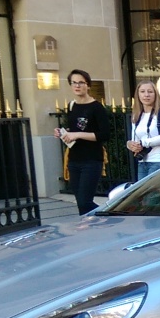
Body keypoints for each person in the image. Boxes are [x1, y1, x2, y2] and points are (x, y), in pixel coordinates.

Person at [54, 69, 109, 215]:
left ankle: (107, 217)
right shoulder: (72, 106)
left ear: (88, 85)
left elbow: (104, 134)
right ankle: (88, 229)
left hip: (91, 159)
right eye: (74, 83)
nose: (77, 86)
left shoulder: (97, 107)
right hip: (74, 159)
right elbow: (74, 128)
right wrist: (63, 132)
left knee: (85, 201)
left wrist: (77, 134)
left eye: (81, 82)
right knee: (80, 202)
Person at [126, 79, 160, 181]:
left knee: (154, 195)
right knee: (142, 196)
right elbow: (134, 138)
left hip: (159, 160)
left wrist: (143, 143)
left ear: (155, 94)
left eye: (150, 92)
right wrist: (130, 145)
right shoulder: (137, 114)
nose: (146, 95)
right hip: (142, 161)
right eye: (142, 92)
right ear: (138, 95)